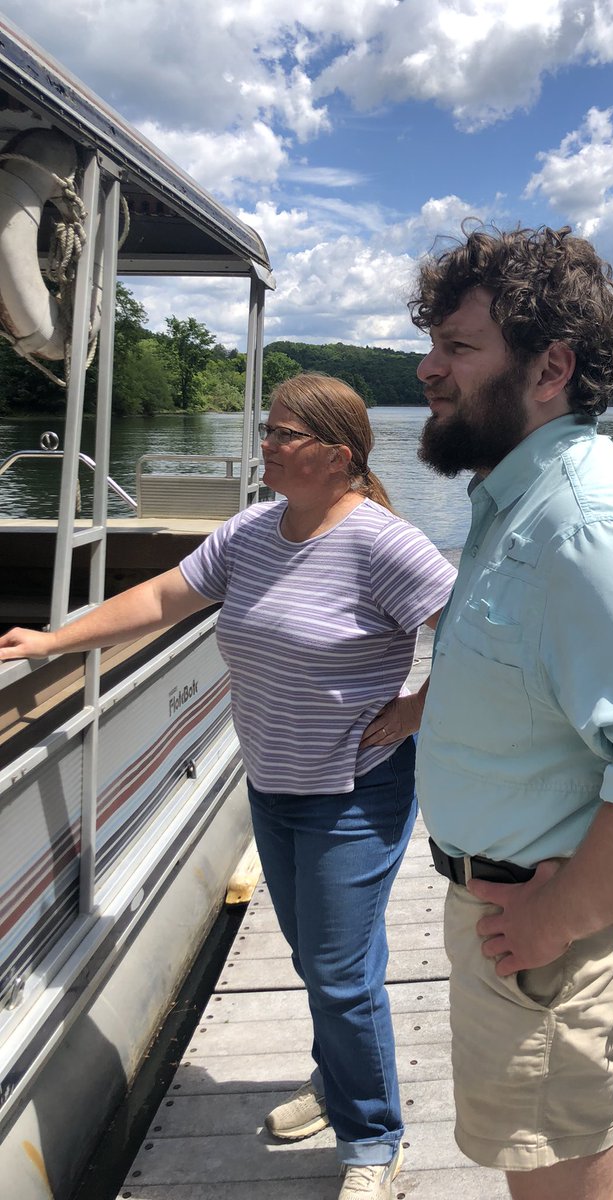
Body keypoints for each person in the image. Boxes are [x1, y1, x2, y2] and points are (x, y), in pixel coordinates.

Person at [0, 373, 456, 1200]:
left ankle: (372, 1140)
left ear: (336, 456)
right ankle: (337, 1078)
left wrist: (420, 706)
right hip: (274, 780)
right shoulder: (252, 531)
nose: (265, 446)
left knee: (339, 969)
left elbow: (469, 629)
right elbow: (164, 596)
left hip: (355, 790)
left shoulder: (382, 543)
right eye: (268, 430)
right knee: (324, 958)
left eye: (283, 434)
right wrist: (57, 641)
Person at [408, 226, 613, 1200]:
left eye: (459, 348)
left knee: (557, 1165)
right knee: (588, 1136)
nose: (430, 370)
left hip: (545, 930)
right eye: (432, 344)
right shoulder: (520, 500)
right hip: (529, 914)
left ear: (550, 367)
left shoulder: (582, 525)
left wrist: (559, 916)